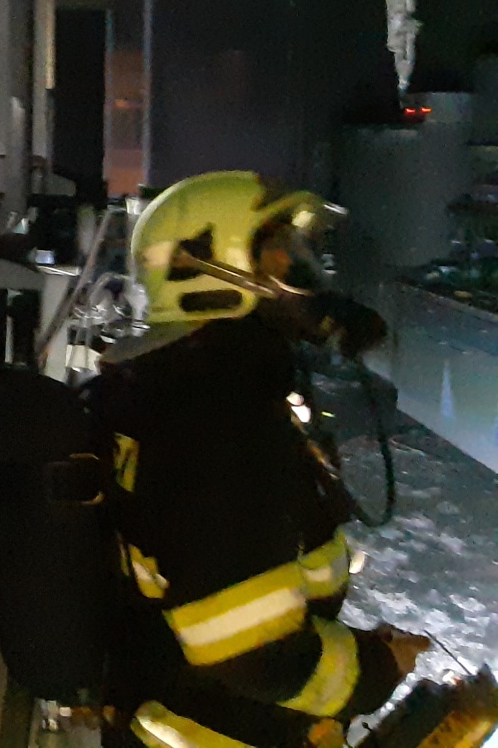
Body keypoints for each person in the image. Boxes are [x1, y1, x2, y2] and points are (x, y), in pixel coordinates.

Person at [94, 171, 428, 748]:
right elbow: (255, 657)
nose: (297, 269)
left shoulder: (176, 389)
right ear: (205, 269)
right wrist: (378, 670)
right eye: (276, 251)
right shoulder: (218, 419)